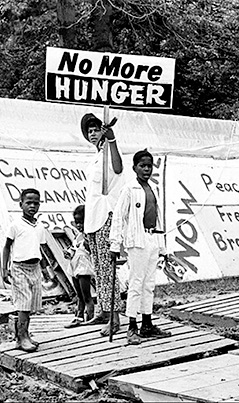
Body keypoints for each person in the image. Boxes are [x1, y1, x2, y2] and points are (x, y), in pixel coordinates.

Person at [109, 149, 171, 345]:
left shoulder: (152, 189)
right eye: (142, 166)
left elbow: (158, 219)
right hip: (137, 240)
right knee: (136, 283)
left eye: (149, 166)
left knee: (149, 284)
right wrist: (114, 243)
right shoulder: (129, 189)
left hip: (153, 239)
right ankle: (132, 326)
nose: (146, 169)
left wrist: (162, 248)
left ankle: (147, 323)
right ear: (134, 167)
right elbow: (119, 215)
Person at [80, 113, 125, 336]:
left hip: (107, 215)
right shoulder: (96, 157)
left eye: (96, 129)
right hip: (93, 216)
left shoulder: (109, 151)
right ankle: (105, 312)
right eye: (89, 131)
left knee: (108, 269)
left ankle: (115, 318)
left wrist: (113, 140)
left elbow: (118, 169)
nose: (93, 134)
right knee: (99, 268)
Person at [2, 188, 48, 352]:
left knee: (32, 304)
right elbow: (7, 247)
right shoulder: (15, 225)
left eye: (36, 203)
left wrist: (45, 268)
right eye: (28, 203)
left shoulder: (40, 226)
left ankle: (25, 334)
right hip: (19, 267)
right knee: (24, 303)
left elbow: (40, 248)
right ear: (21, 204)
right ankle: (21, 338)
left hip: (34, 268)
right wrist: (4, 268)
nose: (32, 206)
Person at [63, 205, 95, 328]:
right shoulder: (77, 236)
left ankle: (90, 318)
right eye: (77, 223)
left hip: (83, 267)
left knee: (86, 295)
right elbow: (74, 249)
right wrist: (68, 252)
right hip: (74, 266)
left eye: (82, 222)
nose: (79, 225)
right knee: (79, 295)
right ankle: (79, 316)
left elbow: (90, 249)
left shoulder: (89, 235)